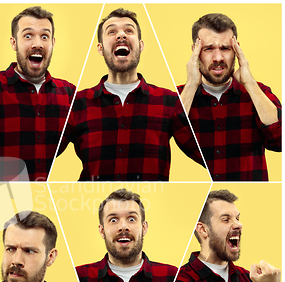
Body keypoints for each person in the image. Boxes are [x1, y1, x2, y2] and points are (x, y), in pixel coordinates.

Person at [61, 8, 204, 181]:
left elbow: (205, 156)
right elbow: (43, 156)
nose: (121, 35)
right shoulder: (78, 103)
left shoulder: (168, 101)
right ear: (100, 48)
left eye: (129, 30)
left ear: (141, 45)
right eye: (112, 31)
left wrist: (192, 84)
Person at [179, 13, 281, 181]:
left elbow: (280, 141)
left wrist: (249, 83)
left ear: (236, 49)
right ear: (195, 51)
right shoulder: (180, 96)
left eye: (225, 48)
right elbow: (163, 134)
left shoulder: (258, 92)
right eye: (209, 49)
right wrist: (191, 85)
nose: (218, 58)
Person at [0, 6, 76, 181]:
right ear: (14, 43)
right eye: (28, 36)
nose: (37, 44)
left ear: (53, 43)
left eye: (44, 36)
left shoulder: (69, 93)